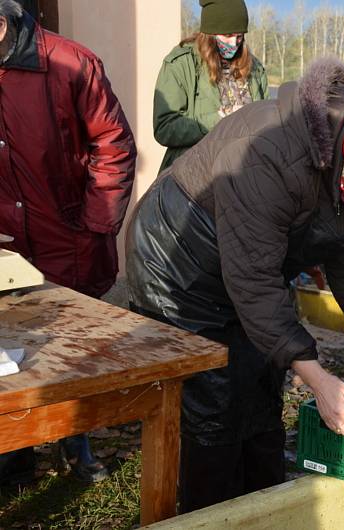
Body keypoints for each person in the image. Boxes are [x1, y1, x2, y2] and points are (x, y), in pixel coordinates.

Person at [126, 58, 344, 512]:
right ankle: (210, 513)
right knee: (214, 398)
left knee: (261, 380)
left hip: (247, 257)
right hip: (178, 256)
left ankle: (265, 507)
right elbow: (253, 282)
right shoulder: (267, 151)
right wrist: (316, 377)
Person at [0, 0, 136, 482]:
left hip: (66, 234)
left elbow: (113, 145)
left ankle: (75, 444)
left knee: (70, 352)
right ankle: (15, 456)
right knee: (13, 350)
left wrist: (93, 226)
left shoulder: (72, 63)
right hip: (6, 243)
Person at [153, 0, 267, 172]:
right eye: (227, 35)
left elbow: (266, 122)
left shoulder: (255, 69)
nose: (234, 44)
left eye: (239, 36)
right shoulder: (182, 64)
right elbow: (164, 128)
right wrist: (220, 119)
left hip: (245, 177)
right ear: (209, 32)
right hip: (193, 178)